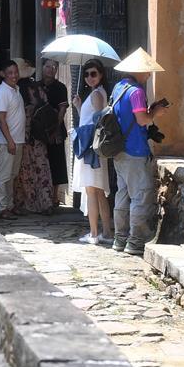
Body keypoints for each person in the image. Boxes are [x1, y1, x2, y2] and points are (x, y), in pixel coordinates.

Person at [110, 48, 169, 256]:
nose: (149, 75)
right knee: (140, 196)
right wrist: (155, 112)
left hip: (119, 152)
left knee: (122, 195)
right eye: (147, 71)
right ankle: (135, 242)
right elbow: (142, 120)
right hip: (135, 151)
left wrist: (148, 110)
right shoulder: (137, 92)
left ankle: (120, 238)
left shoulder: (119, 88)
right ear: (139, 71)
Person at [70, 59, 113, 245]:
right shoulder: (97, 93)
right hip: (94, 148)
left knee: (91, 191)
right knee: (99, 192)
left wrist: (79, 131)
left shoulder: (96, 94)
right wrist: (79, 107)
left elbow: (97, 122)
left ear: (101, 74)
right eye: (87, 74)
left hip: (90, 148)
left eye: (93, 73)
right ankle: (106, 232)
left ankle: (94, 233)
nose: (89, 77)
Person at [13, 63, 55, 215]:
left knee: (24, 171)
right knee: (42, 169)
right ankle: (45, 202)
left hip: (23, 136)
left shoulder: (18, 91)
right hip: (39, 135)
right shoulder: (39, 89)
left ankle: (26, 202)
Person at [0, 59, 26, 219]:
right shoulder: (2, 92)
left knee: (12, 176)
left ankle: (9, 205)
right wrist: (10, 141)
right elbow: (1, 119)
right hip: (7, 141)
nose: (14, 75)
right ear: (3, 74)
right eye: (10, 73)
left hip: (17, 140)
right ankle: (1, 208)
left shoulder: (16, 89)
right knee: (3, 176)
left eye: (16, 72)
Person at [41, 58, 69, 205]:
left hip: (56, 130)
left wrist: (54, 128)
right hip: (39, 131)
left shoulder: (61, 88)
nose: (50, 69)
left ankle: (53, 197)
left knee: (56, 163)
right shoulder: (36, 86)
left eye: (54, 67)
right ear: (42, 67)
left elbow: (62, 110)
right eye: (48, 66)